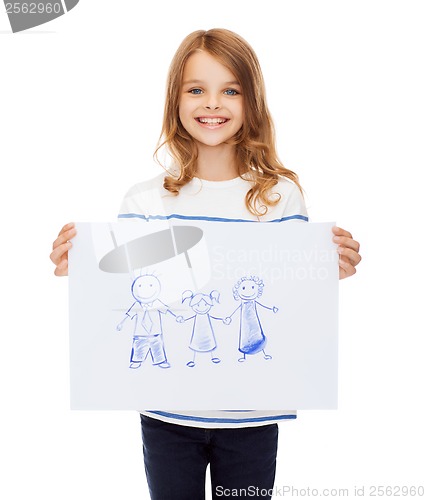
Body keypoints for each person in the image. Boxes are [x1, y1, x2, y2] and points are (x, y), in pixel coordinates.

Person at [50, 28, 361, 500]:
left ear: (250, 101)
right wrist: (83, 269)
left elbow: (292, 289)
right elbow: (128, 284)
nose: (212, 103)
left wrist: (328, 268)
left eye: (230, 90)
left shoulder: (279, 196)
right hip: (166, 415)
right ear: (175, 99)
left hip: (253, 416)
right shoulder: (146, 199)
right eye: (196, 89)